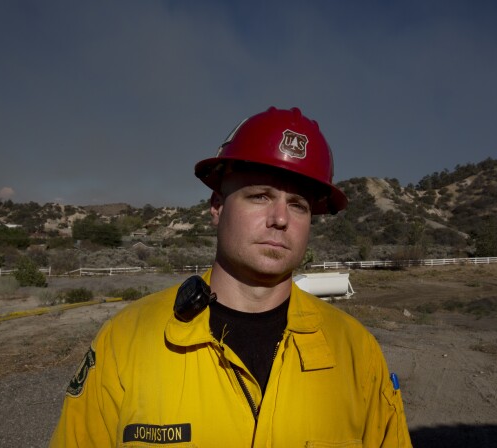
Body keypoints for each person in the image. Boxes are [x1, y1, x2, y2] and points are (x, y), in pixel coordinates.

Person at [50, 106, 412, 447]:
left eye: (298, 205)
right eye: (259, 196)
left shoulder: (357, 354)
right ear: (217, 207)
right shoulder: (125, 341)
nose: (281, 219)